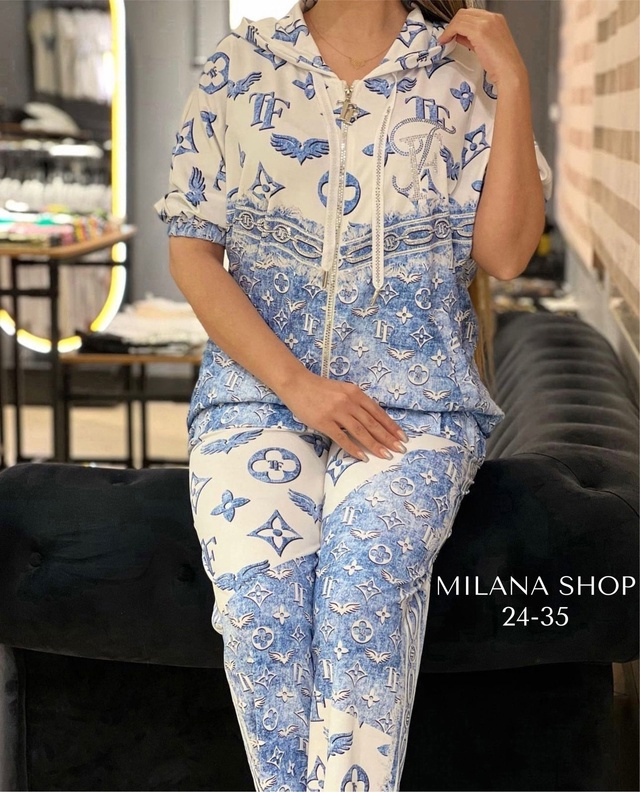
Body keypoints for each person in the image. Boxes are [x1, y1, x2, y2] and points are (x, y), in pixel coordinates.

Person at [154, 1, 552, 789]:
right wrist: (298, 387)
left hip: (417, 402)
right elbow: (193, 251)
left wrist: (511, 79)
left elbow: (507, 255)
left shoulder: (461, 70)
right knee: (258, 603)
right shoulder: (242, 64)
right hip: (256, 396)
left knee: (362, 590)